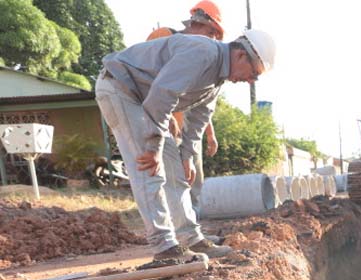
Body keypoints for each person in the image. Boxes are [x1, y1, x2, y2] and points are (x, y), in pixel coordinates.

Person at [95, 29, 276, 262]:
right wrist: (152, 148)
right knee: (148, 167)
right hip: (120, 88)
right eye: (254, 74)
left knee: (175, 171)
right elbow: (162, 94)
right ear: (241, 55)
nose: (250, 81)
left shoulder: (217, 79)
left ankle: (190, 238)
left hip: (147, 101)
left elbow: (200, 117)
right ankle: (164, 247)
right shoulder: (203, 53)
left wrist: (188, 156)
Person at [146, 0, 224, 217]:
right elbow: (149, 80)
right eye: (211, 33)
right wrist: (166, 115)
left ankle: (194, 219)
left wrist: (210, 134)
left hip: (185, 129)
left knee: (193, 175)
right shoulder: (164, 37)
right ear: (198, 23)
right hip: (161, 123)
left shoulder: (201, 56)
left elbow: (201, 101)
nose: (213, 40)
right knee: (168, 178)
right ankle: (171, 222)